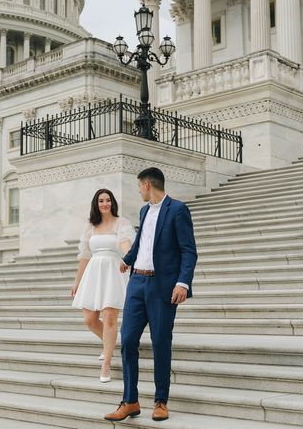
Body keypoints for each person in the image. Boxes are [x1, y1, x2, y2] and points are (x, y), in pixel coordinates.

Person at [104, 167, 197, 423]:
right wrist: (128, 259)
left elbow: (189, 251)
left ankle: (160, 401)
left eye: (139, 186)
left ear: (147, 185)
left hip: (162, 287)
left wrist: (183, 283)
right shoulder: (145, 211)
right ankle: (130, 401)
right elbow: (144, 241)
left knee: (160, 343)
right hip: (137, 283)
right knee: (128, 341)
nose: (138, 190)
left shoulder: (177, 210)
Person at [71, 189, 135, 382]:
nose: (105, 204)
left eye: (108, 200)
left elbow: (125, 244)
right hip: (94, 272)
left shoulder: (121, 223)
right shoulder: (90, 227)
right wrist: (77, 281)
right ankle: (109, 345)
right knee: (90, 319)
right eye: (101, 201)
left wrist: (127, 257)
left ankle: (106, 363)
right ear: (96, 204)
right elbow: (84, 255)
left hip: (114, 271)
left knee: (109, 318)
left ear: (113, 202)